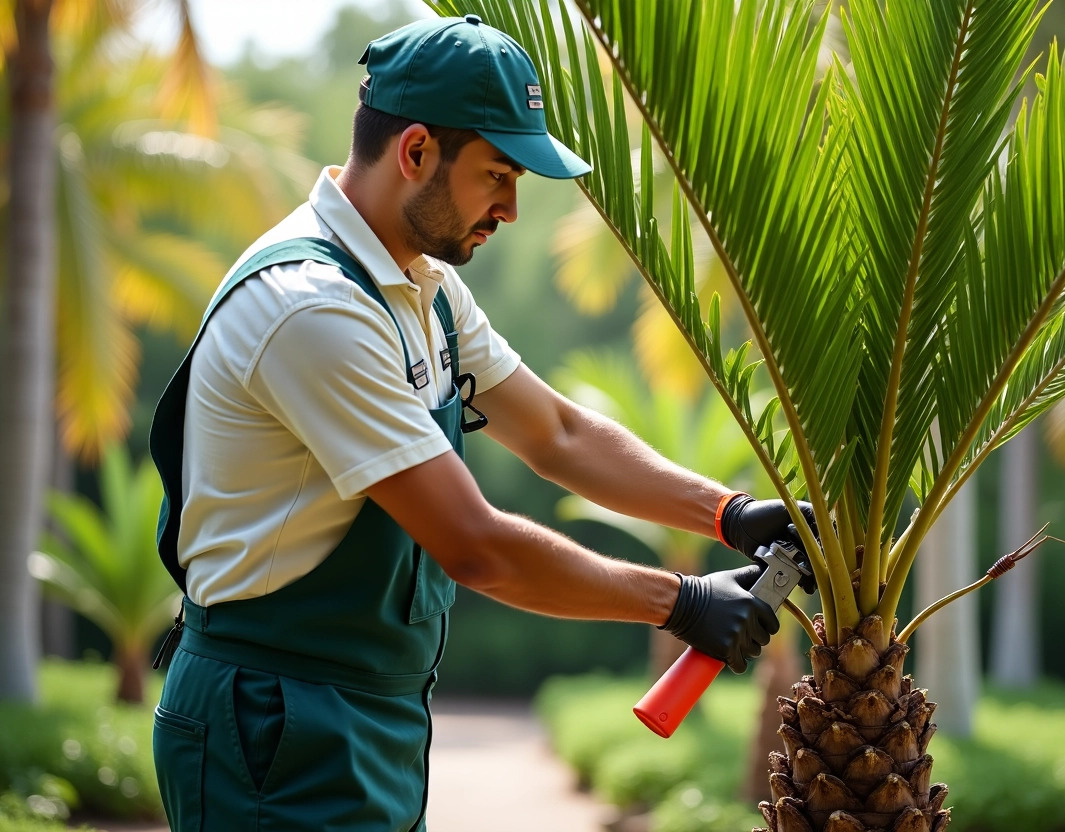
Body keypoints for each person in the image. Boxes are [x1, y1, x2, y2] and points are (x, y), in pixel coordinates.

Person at [147, 13, 817, 832]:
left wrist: (730, 513)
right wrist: (678, 601)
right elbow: (474, 545)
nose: (508, 207)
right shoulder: (312, 309)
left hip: (366, 712)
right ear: (417, 151)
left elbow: (557, 434)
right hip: (271, 718)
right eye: (497, 174)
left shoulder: (421, 286)